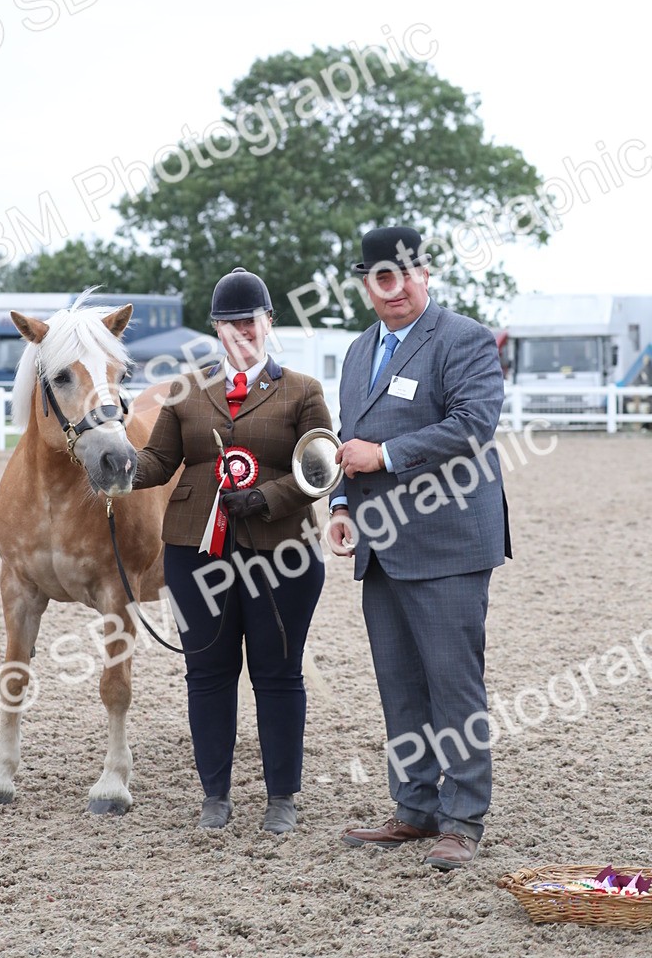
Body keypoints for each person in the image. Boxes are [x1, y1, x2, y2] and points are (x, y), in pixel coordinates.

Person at [328, 226, 511, 871]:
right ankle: (414, 808)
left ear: (424, 275)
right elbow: (348, 437)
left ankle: (463, 818)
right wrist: (343, 507)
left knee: (453, 686)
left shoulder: (461, 339)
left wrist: (388, 454)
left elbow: (472, 424)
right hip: (380, 544)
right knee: (400, 685)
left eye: (404, 274)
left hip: (449, 542)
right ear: (367, 285)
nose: (394, 288)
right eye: (380, 278)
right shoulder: (357, 352)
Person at [132, 267, 331, 833]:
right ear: (216, 329)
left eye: (250, 321)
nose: (241, 331)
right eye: (229, 323)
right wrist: (116, 462)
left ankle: (281, 799)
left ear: (268, 323)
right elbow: (158, 464)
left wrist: (266, 497)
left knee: (278, 672)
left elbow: (321, 468)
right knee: (207, 673)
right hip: (197, 552)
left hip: (283, 551)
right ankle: (214, 794)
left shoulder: (302, 391)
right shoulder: (185, 392)